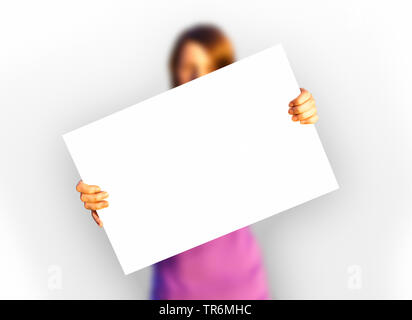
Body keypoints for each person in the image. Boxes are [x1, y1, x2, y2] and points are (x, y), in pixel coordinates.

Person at [75, 24, 318, 299]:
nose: (197, 75)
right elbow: (123, 204)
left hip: (244, 289)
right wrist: (101, 200)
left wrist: (300, 108)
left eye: (208, 65)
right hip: (177, 293)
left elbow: (284, 130)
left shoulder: (241, 120)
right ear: (174, 71)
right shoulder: (146, 137)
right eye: (188, 65)